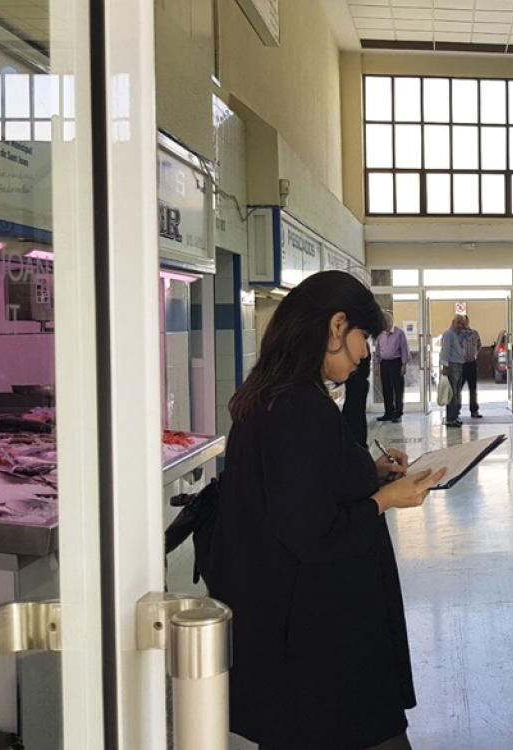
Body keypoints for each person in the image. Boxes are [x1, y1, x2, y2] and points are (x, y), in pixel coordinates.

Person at [207, 271, 447, 750]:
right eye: (364, 339)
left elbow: (303, 487)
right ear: (337, 326)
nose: (365, 355)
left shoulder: (276, 396)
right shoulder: (299, 408)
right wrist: (385, 500)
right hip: (320, 646)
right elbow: (311, 533)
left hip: (291, 635)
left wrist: (369, 473)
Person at [376, 312, 409, 423]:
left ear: (390, 322)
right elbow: (377, 350)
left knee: (398, 389)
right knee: (386, 389)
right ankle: (388, 413)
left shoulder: (399, 333)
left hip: (396, 363)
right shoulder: (380, 334)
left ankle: (398, 413)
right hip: (384, 363)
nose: (384, 325)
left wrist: (404, 365)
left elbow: (404, 349)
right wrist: (377, 365)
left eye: (386, 322)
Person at [439, 315, 467, 427]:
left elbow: (469, 335)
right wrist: (445, 367)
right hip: (452, 365)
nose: (460, 325)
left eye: (463, 323)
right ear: (453, 322)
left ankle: (454, 416)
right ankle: (450, 419)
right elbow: (445, 351)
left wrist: (465, 328)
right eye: (458, 323)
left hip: (459, 365)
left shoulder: (459, 335)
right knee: (452, 393)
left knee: (457, 393)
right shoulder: (448, 334)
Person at [343, 353, 372, 448]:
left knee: (356, 415)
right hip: (355, 383)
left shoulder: (360, 348)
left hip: (358, 383)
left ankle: (359, 443)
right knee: (354, 414)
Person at [459, 315, 483, 419]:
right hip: (460, 364)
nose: (463, 324)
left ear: (468, 321)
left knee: (473, 389)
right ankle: (456, 411)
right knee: (457, 389)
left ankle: (474, 411)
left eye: (464, 322)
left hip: (472, 363)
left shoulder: (474, 333)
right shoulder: (457, 334)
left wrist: (475, 354)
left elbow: (479, 345)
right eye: (461, 322)